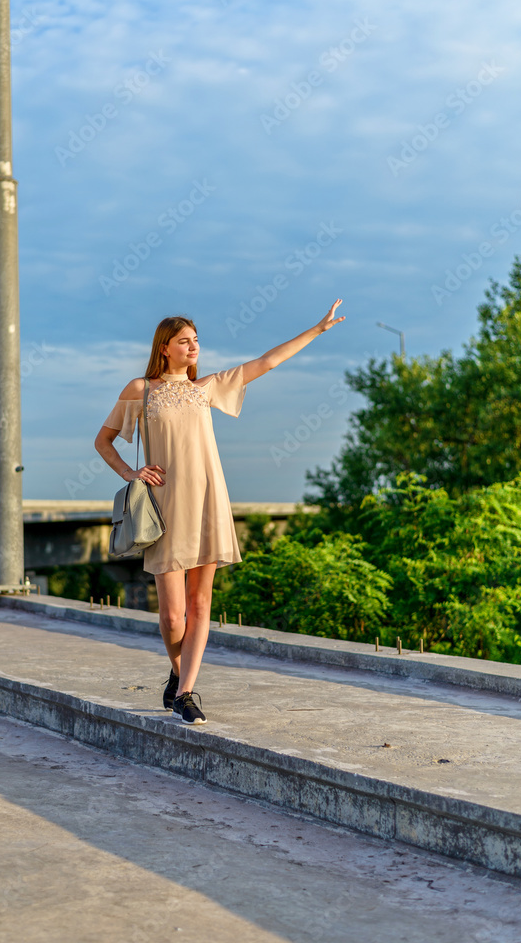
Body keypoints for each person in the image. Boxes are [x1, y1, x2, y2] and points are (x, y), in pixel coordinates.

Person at [94, 299, 345, 724]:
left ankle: (187, 692)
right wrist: (133, 473)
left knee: (201, 602)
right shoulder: (141, 390)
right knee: (173, 616)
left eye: (196, 341)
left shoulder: (205, 388)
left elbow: (266, 362)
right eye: (184, 341)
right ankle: (177, 675)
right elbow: (104, 441)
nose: (194, 347)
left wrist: (316, 331)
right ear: (165, 348)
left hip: (209, 500)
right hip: (164, 508)